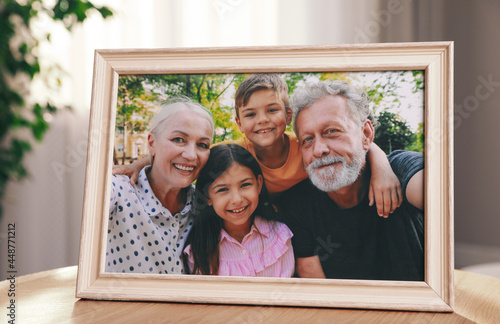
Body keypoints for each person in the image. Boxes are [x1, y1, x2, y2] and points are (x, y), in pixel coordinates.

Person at [114, 74, 402, 217]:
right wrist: (141, 163)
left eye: (272, 110)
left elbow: (357, 144)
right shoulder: (235, 155)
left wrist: (383, 166)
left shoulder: (308, 149)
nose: (262, 121)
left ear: (288, 116)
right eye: (251, 114)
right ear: (239, 124)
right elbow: (190, 157)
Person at [276, 80, 424, 281]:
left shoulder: (400, 169)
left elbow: (442, 198)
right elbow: (319, 292)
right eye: (307, 139)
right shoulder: (297, 205)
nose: (319, 150)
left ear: (366, 134)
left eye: (332, 131)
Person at [106, 97, 214, 274]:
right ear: (152, 143)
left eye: (202, 144)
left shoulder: (205, 204)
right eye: (179, 139)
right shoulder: (117, 191)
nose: (191, 155)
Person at [182, 144, 294, 277]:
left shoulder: (280, 236)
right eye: (223, 189)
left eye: (245, 185)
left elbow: (287, 292)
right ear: (207, 196)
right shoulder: (198, 252)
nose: (237, 199)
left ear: (258, 184)